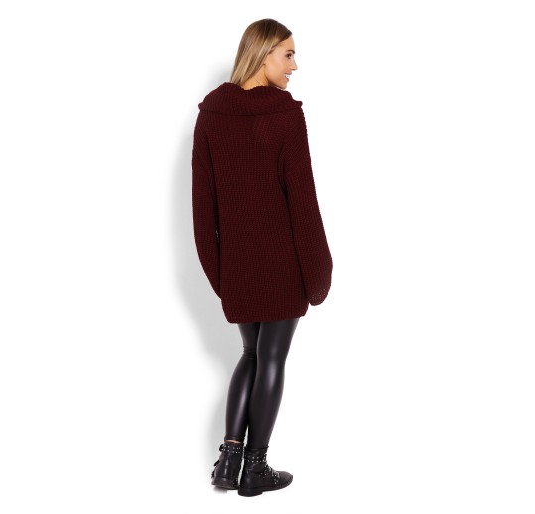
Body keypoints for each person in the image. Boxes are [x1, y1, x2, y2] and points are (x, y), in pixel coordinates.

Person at [191, 18, 333, 497]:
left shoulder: (211, 114)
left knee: (251, 354)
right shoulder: (285, 115)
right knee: (271, 358)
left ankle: (228, 462)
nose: (295, 65)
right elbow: (303, 203)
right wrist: (319, 273)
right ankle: (255, 468)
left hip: (238, 267)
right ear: (264, 53)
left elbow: (202, 209)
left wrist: (220, 274)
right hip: (281, 265)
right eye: (288, 54)